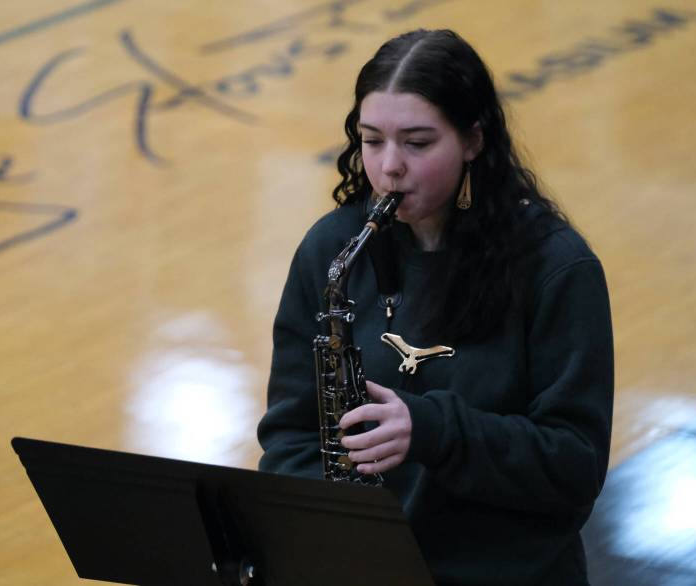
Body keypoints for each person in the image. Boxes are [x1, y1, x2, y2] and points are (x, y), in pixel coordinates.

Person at [257, 29, 614, 585]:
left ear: (473, 140)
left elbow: (573, 465)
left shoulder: (556, 269)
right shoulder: (332, 251)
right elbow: (291, 436)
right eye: (373, 141)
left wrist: (430, 428)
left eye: (417, 143)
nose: (389, 168)